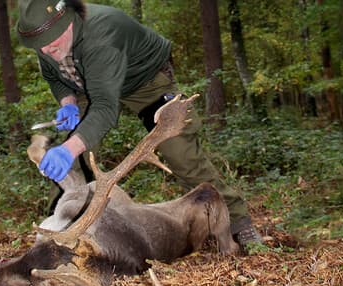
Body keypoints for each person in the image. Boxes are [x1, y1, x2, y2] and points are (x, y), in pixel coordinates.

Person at [16, 0, 262, 248]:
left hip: (145, 81)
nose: (46, 49)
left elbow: (105, 108)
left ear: (67, 20)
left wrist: (68, 149)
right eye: (40, 45)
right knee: (78, 157)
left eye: (51, 42)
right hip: (89, 83)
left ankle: (238, 221)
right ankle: (66, 229)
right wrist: (67, 102)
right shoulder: (44, 37)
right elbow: (53, 75)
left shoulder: (102, 35)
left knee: (179, 152)